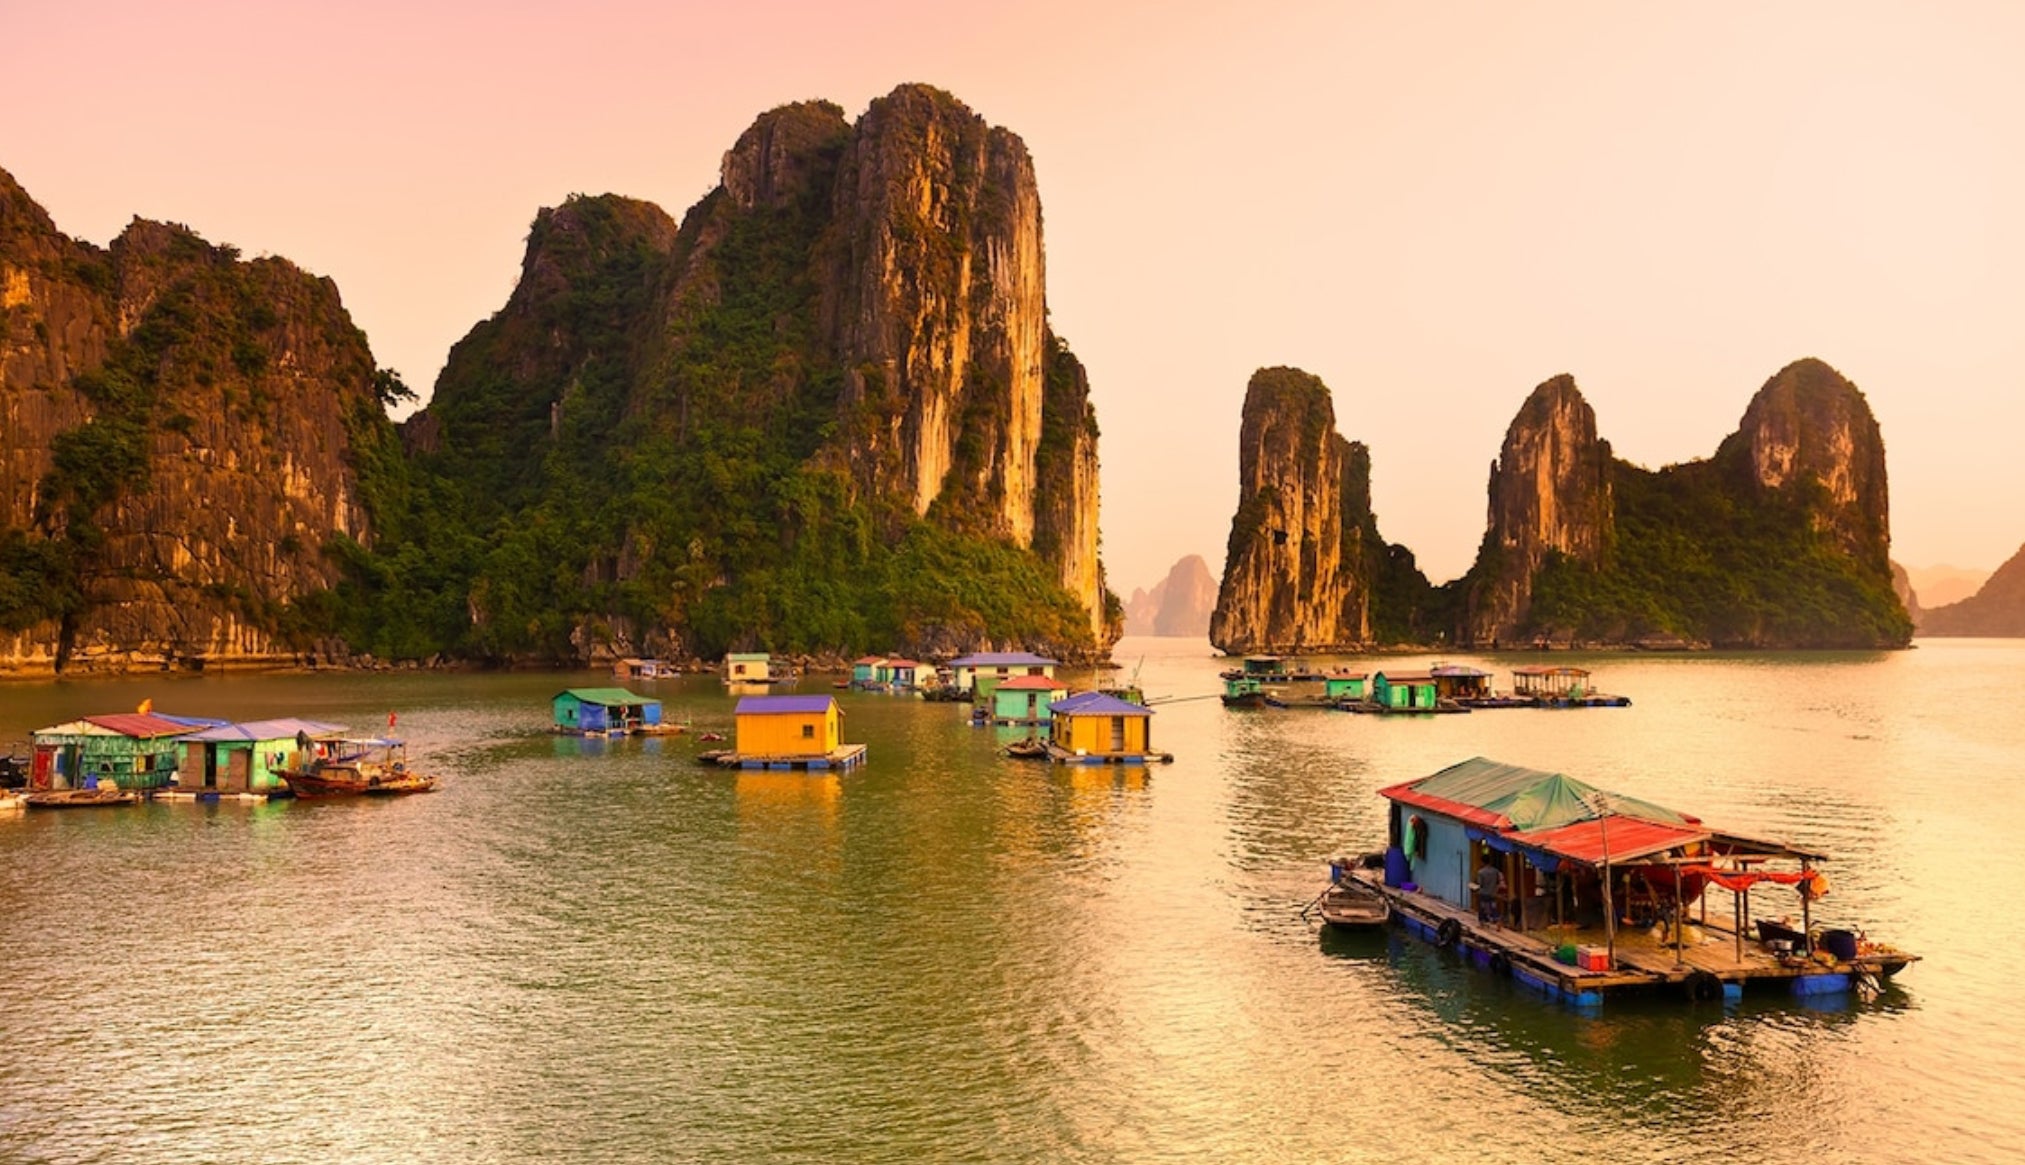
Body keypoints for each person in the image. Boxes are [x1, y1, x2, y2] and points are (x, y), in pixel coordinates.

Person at [1474, 854, 1504, 925]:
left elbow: (1481, 884)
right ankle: (1497, 920)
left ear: (1482, 862)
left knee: (1482, 907)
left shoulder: (1481, 872)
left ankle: (1482, 921)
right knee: (1493, 907)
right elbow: (1498, 882)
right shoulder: (1495, 871)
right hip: (1492, 893)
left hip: (1483, 893)